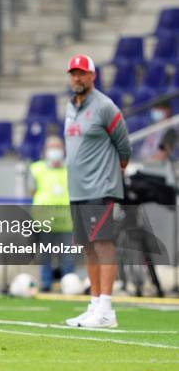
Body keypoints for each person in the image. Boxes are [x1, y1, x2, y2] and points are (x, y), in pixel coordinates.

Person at [63, 55, 131, 328]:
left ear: (93, 76)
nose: (77, 78)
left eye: (82, 73)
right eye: (73, 73)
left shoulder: (105, 106)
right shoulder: (71, 106)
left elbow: (123, 146)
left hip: (100, 187)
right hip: (78, 190)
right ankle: (94, 306)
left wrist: (112, 175)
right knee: (89, 247)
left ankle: (106, 309)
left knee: (103, 245)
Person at [28, 136, 74, 292]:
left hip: (66, 219)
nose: (55, 150)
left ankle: (69, 284)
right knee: (44, 254)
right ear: (45, 150)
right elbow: (32, 190)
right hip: (44, 219)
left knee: (67, 255)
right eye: (52, 147)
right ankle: (45, 284)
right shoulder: (36, 168)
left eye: (58, 147)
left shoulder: (71, 168)